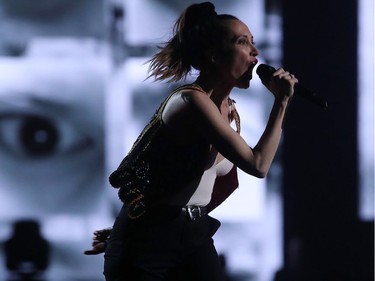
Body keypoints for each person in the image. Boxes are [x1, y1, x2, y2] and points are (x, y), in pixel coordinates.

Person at [85, 2, 298, 280]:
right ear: (213, 55)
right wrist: (281, 102)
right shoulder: (191, 101)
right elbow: (258, 165)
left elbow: (192, 185)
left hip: (193, 237)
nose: (255, 53)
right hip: (148, 241)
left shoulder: (228, 109)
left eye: (253, 43)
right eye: (242, 42)